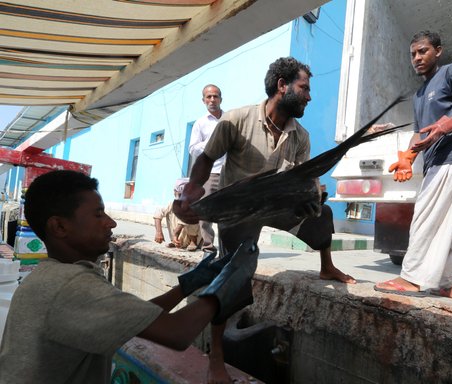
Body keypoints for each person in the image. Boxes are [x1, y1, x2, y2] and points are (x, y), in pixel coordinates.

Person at [174, 57, 356, 383]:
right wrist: (190, 194)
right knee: (233, 276)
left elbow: (305, 178)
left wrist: (314, 193)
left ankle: (327, 264)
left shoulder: (300, 135)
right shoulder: (235, 120)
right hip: (239, 212)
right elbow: (205, 160)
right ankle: (216, 357)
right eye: (304, 88)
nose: (309, 97)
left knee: (322, 214)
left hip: (278, 205)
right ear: (282, 86)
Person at [0, 170, 259, 384]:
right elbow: (177, 333)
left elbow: (135, 320)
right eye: (98, 214)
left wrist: (186, 285)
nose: (111, 223)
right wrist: (228, 281)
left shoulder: (52, 275)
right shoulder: (71, 284)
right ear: (59, 226)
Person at [374, 31, 452, 302]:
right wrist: (407, 158)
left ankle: (411, 278)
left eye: (422, 51)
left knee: (425, 216)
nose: (417, 58)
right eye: (413, 54)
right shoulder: (420, 93)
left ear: (438, 50)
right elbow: (418, 132)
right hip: (436, 160)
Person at [189, 84, 225, 255]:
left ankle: (227, 249)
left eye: (215, 96)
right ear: (203, 100)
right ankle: (208, 248)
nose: (212, 100)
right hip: (210, 173)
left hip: (230, 173)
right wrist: (211, 142)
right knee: (205, 213)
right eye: (208, 97)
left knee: (228, 213)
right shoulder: (200, 123)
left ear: (221, 99)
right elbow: (193, 149)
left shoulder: (230, 119)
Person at [154, 177, 200, 251]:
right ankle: (175, 241)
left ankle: (193, 241)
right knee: (169, 212)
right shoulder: (173, 203)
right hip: (177, 237)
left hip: (193, 236)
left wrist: (176, 233)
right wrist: (159, 232)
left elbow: (184, 220)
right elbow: (158, 212)